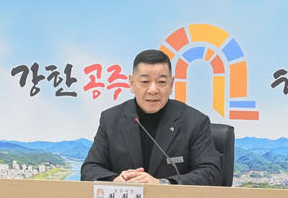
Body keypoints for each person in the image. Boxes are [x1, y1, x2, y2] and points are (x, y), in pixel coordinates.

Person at [79, 48, 225, 185]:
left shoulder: (194, 121)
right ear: (132, 83)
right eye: (145, 82)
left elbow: (211, 173)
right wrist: (115, 180)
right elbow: (90, 169)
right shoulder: (111, 119)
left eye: (161, 82)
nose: (153, 90)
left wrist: (162, 183)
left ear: (171, 84)